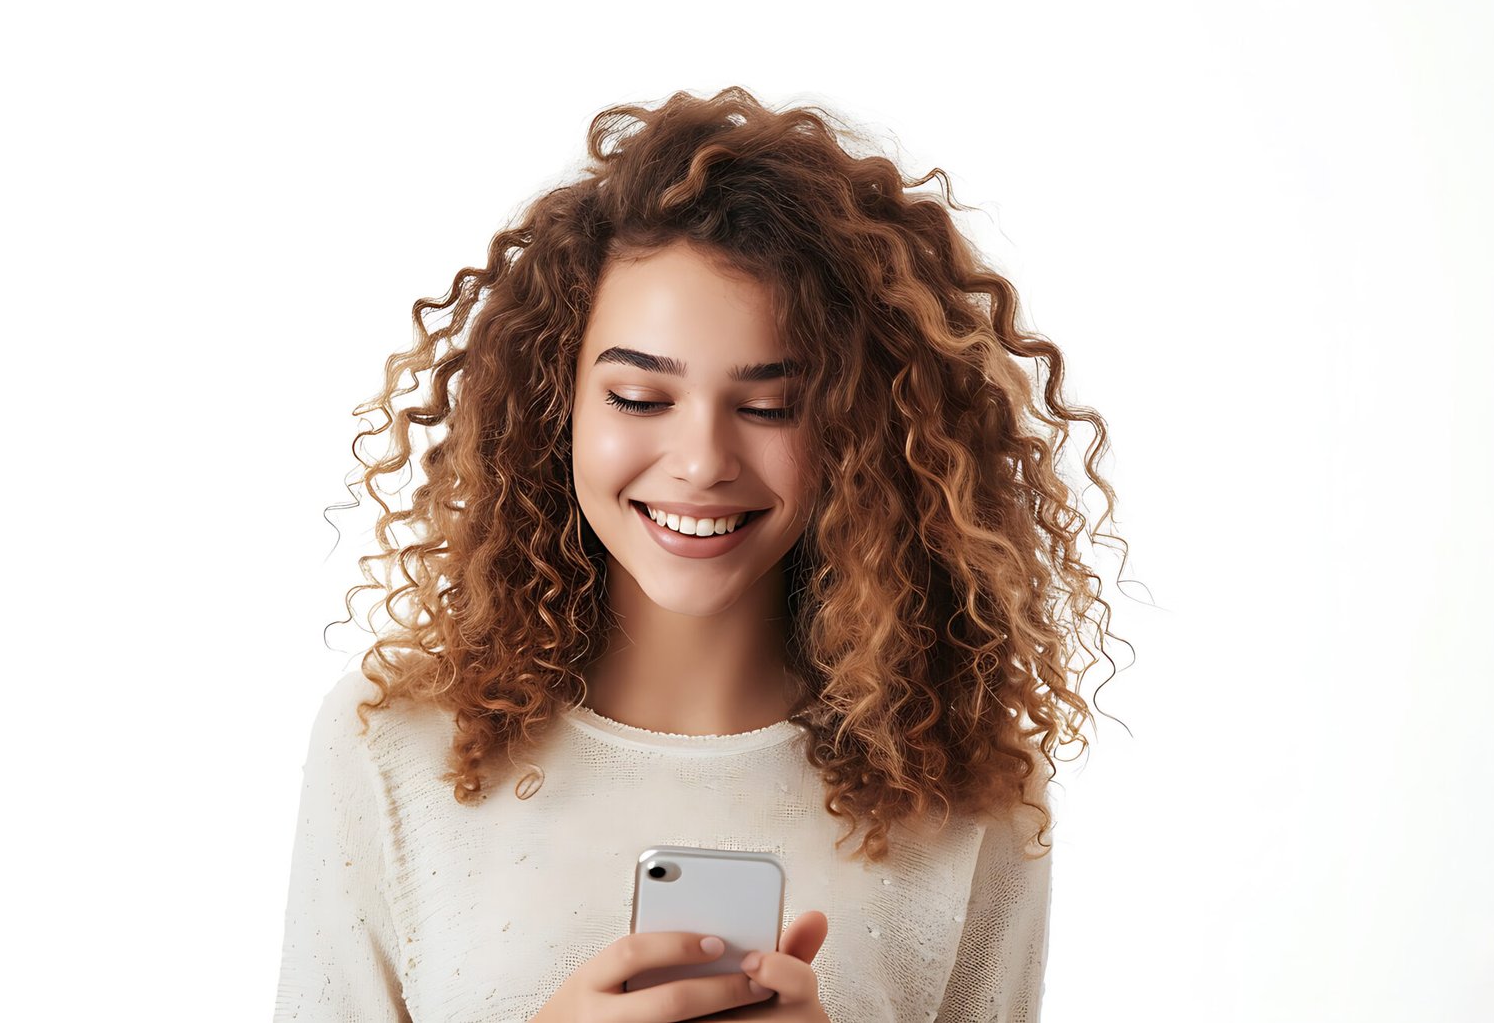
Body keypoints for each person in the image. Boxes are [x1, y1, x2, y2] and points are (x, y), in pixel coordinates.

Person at [272, 86, 1123, 1022]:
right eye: (639, 399)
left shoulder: (969, 790)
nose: (702, 463)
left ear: (860, 430)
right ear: (557, 404)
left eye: (769, 407)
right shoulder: (393, 744)